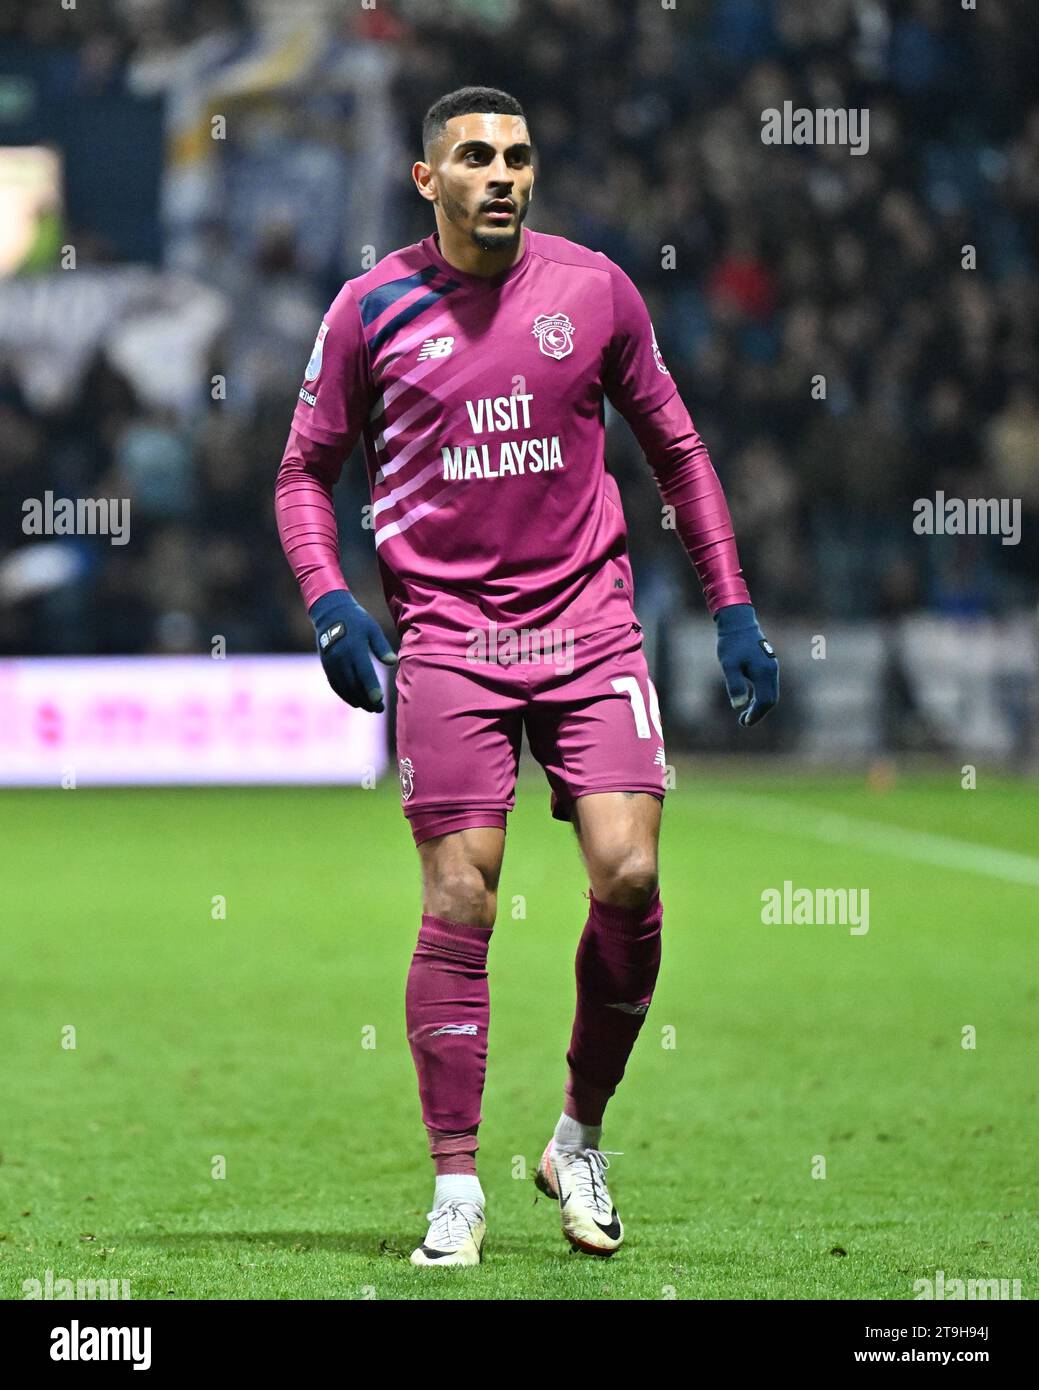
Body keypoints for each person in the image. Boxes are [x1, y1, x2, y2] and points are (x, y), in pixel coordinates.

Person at [275, 86, 778, 1266]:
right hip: (448, 636)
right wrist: (331, 599)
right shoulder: (369, 308)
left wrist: (734, 602)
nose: (502, 174)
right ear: (426, 180)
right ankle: (456, 1183)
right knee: (460, 897)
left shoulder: (595, 289)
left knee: (631, 874)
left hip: (591, 626)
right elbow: (306, 470)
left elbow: (678, 448)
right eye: (475, 158)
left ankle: (577, 1136)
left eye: (517, 156)